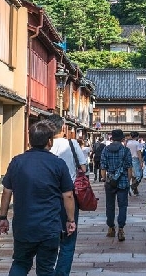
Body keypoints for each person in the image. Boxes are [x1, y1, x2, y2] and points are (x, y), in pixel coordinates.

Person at [0, 120, 75, 275]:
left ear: (30, 140)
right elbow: (68, 195)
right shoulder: (58, 164)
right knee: (46, 268)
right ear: (49, 141)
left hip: (23, 226)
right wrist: (70, 220)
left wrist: (3, 217)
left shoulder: (17, 162)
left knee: (20, 263)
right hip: (49, 227)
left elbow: (7, 191)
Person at [46, 115, 86, 276]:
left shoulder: (44, 144)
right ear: (63, 128)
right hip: (69, 196)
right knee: (68, 238)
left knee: (49, 237)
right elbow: (83, 168)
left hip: (47, 196)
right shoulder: (72, 143)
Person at [100, 128, 133, 242]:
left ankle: (110, 227)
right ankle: (121, 229)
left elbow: (103, 168)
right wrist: (128, 181)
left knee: (110, 205)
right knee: (122, 206)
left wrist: (105, 179)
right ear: (122, 138)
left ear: (111, 138)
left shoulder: (105, 150)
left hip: (110, 181)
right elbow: (129, 168)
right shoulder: (126, 151)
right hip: (123, 181)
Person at [125, 131, 143, 195]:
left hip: (128, 159)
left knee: (133, 175)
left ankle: (135, 191)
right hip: (135, 159)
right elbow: (139, 153)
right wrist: (141, 162)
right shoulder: (137, 143)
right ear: (137, 136)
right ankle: (131, 188)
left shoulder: (128, 143)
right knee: (139, 175)